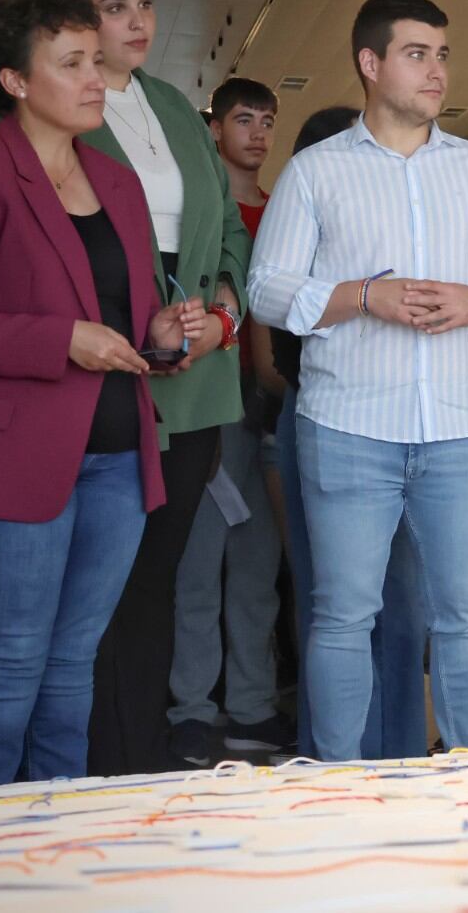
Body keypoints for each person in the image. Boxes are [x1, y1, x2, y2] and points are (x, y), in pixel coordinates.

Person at [0, 0, 207, 787]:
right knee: (2, 670)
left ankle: (48, 858)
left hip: (112, 458)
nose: (94, 78)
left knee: (72, 670)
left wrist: (162, 335)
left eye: (95, 62)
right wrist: (61, 340)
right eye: (71, 63)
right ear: (14, 80)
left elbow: (124, 314)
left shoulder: (116, 184)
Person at [0, 0, 252, 775]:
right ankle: (80, 777)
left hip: (199, 385)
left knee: (155, 587)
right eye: (111, 7)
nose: (136, 23)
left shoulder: (172, 103)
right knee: (84, 602)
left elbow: (228, 231)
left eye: (145, 3)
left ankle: (139, 767)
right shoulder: (11, 110)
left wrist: (226, 314)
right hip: (91, 378)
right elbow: (19, 254)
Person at [247, 0, 468, 758]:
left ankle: (467, 767)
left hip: (461, 428)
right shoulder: (315, 172)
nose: (437, 70)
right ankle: (337, 779)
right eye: (417, 53)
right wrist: (362, 296)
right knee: (343, 614)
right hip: (349, 424)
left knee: (461, 614)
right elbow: (266, 288)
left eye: (443, 54)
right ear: (370, 63)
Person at [267, 106, 428, 760]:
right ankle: (336, 761)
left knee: (403, 607)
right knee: (336, 610)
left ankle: (401, 756)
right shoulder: (294, 246)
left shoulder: (403, 238)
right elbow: (279, 350)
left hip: (410, 429)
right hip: (325, 422)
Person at [166, 77, 292, 767]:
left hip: (265, 410)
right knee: (196, 568)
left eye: (268, 120)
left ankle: (251, 706)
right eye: (244, 119)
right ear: (215, 128)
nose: (258, 133)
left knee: (256, 570)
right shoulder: (198, 206)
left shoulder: (281, 209)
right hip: (205, 407)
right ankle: (191, 709)